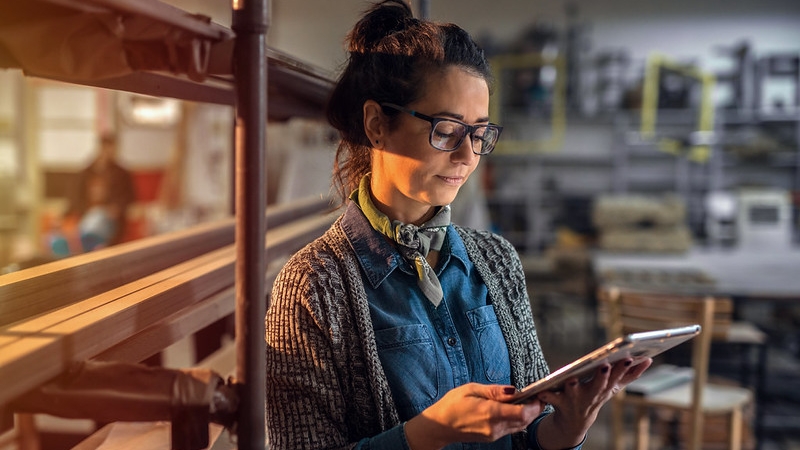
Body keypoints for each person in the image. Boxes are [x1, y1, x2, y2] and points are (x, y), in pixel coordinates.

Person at [265, 2, 652, 449]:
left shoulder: (497, 260)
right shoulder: (313, 285)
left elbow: (530, 431)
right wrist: (428, 433)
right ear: (376, 124)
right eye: (446, 130)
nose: (468, 155)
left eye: (480, 132)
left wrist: (566, 430)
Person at [65, 133, 136, 252]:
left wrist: (117, 209)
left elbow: (130, 197)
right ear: (100, 148)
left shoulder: (122, 174)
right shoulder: (86, 172)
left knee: (98, 216)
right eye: (106, 148)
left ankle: (82, 241)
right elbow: (75, 197)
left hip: (111, 219)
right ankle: (90, 242)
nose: (108, 152)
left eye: (111, 148)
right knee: (93, 217)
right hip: (86, 215)